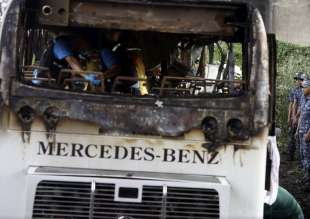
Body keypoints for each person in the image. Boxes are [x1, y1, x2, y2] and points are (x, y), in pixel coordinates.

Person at [287, 72, 305, 161]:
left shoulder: (307, 90)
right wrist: (290, 117)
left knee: (300, 137)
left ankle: (300, 160)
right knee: (291, 135)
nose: (299, 81)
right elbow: (292, 104)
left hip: (304, 117)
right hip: (295, 116)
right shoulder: (294, 90)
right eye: (298, 79)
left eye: (301, 79)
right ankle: (290, 156)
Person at [299, 78, 310, 184]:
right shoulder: (305, 100)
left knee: (308, 156)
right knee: (303, 155)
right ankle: (305, 177)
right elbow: (302, 116)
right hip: (302, 131)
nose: (303, 89)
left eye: (305, 87)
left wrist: (308, 133)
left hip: (308, 133)